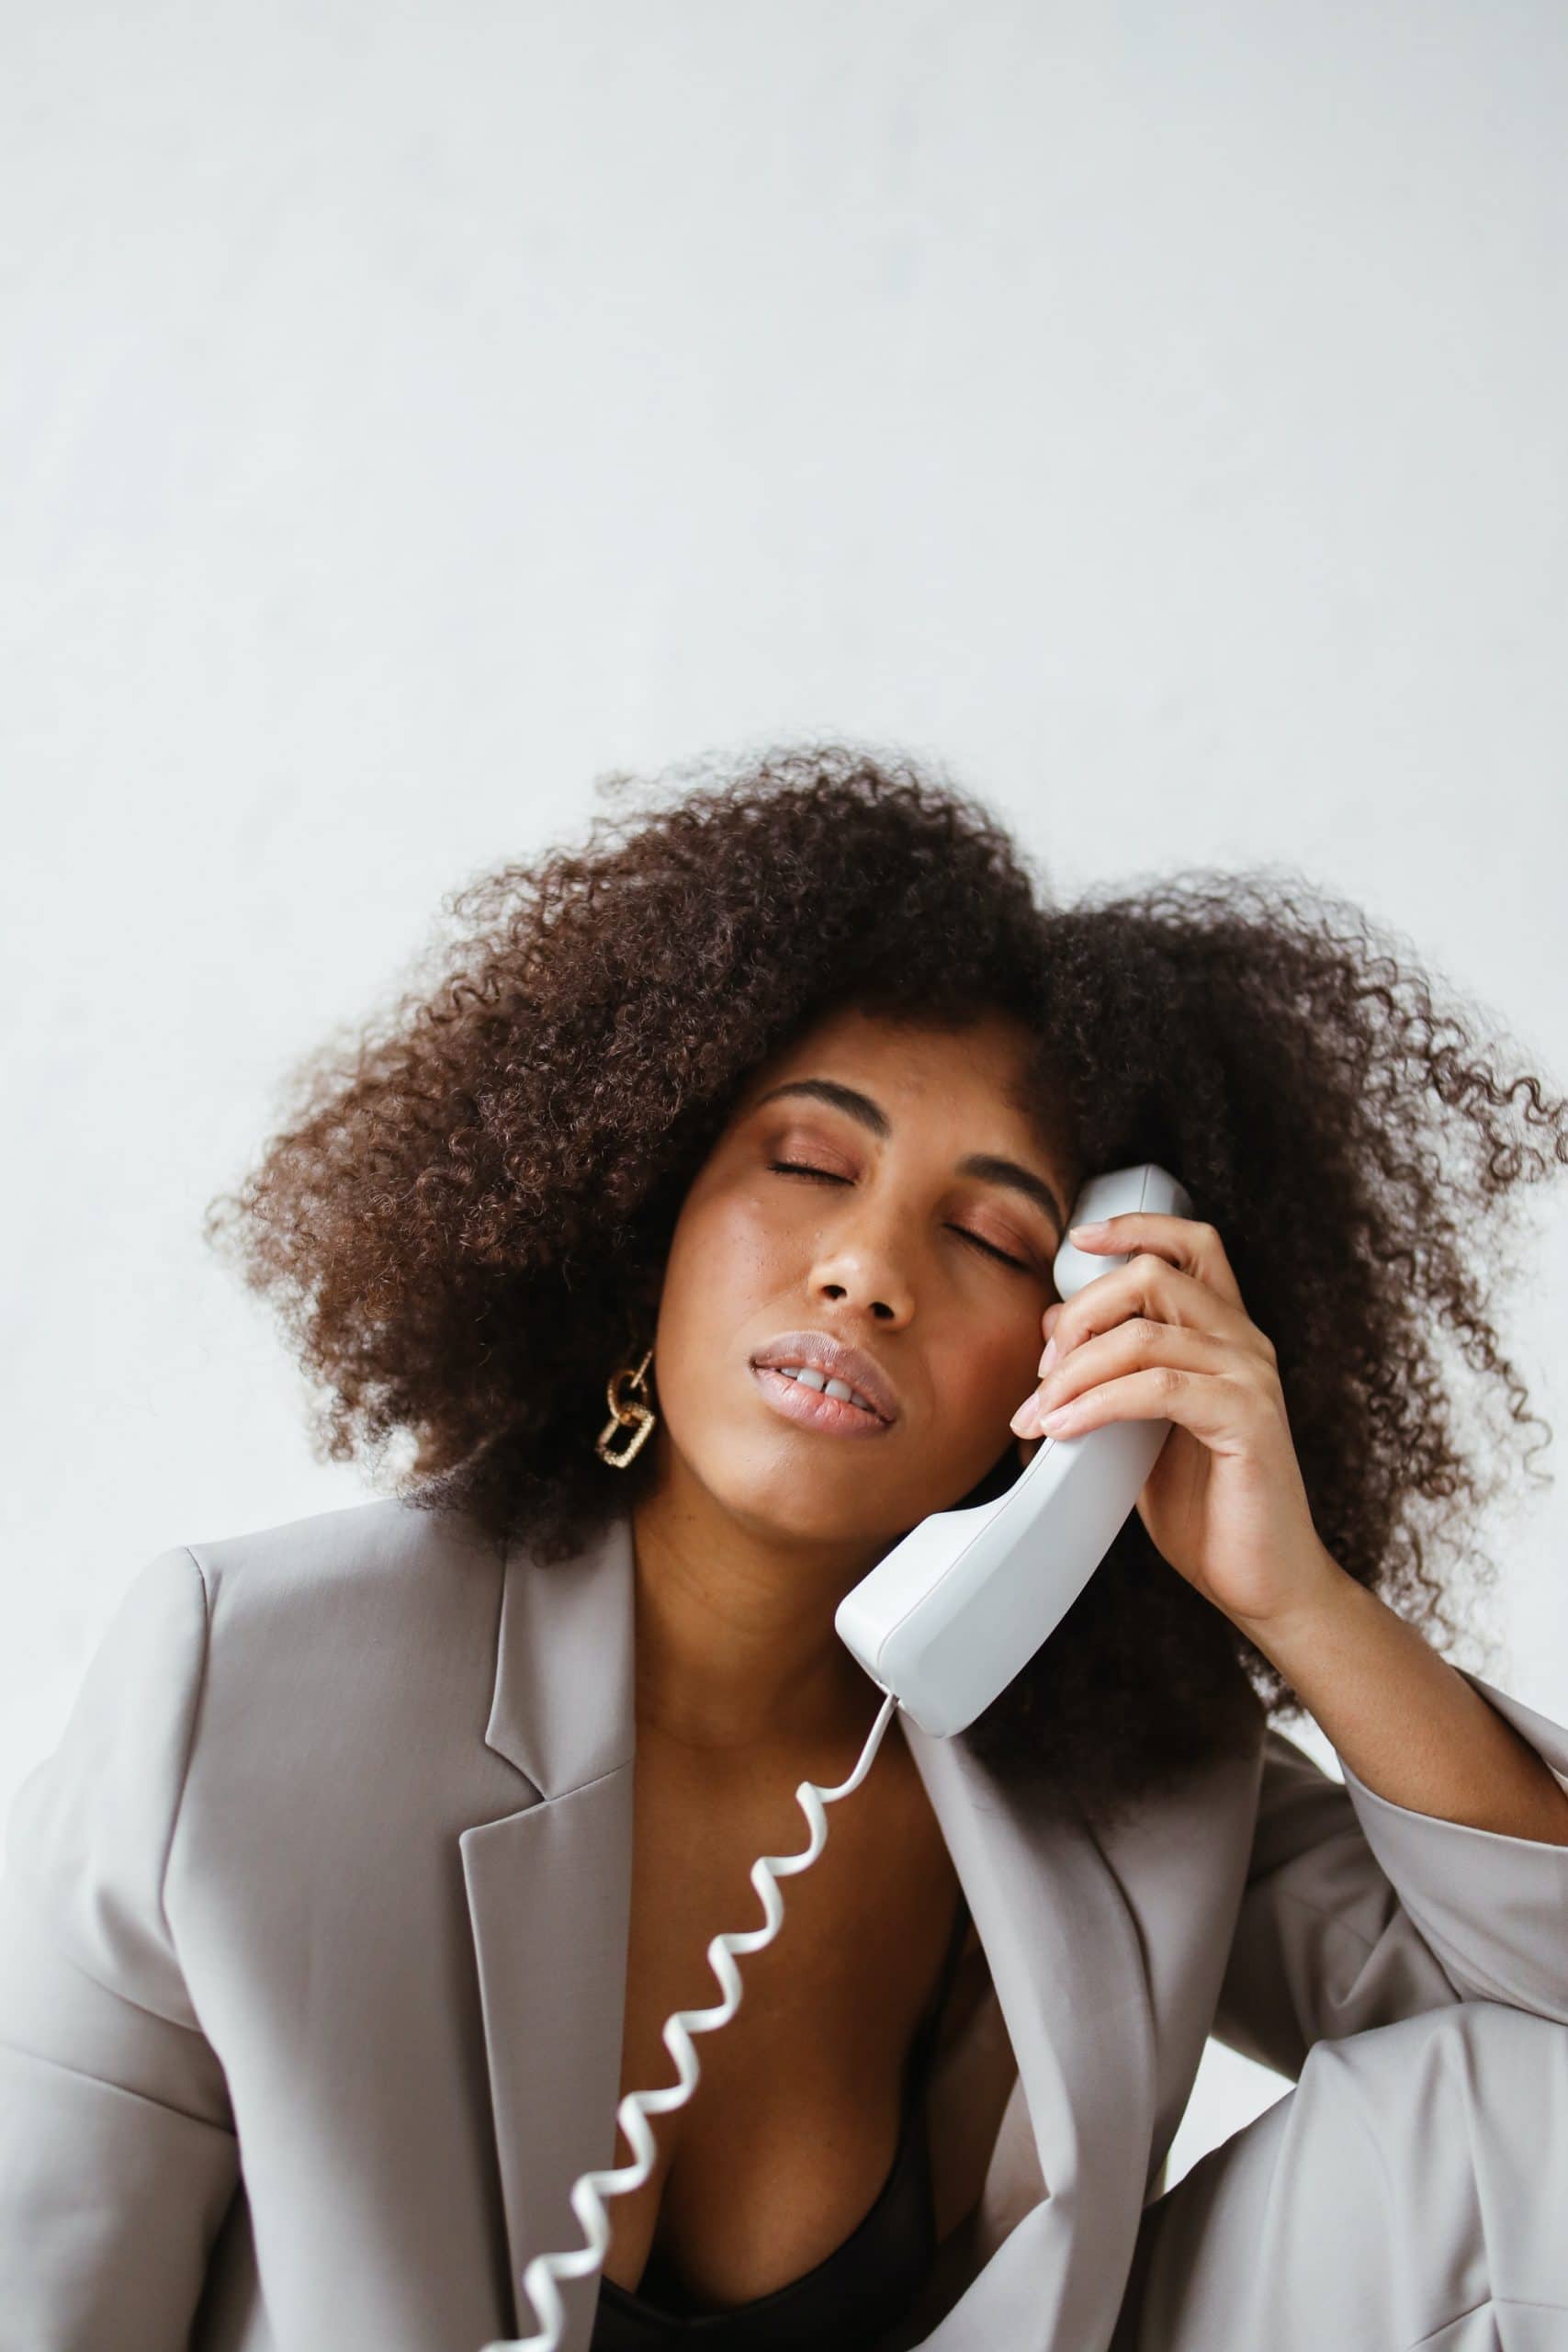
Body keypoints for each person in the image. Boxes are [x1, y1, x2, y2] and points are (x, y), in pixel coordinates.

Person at [3, 743, 1567, 2352]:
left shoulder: (1129, 1783)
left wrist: (1290, 1595)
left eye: (991, 1235)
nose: (868, 1271)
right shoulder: (242, 1688)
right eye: (809, 1162)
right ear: (643, 1201)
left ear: (1081, 1350)